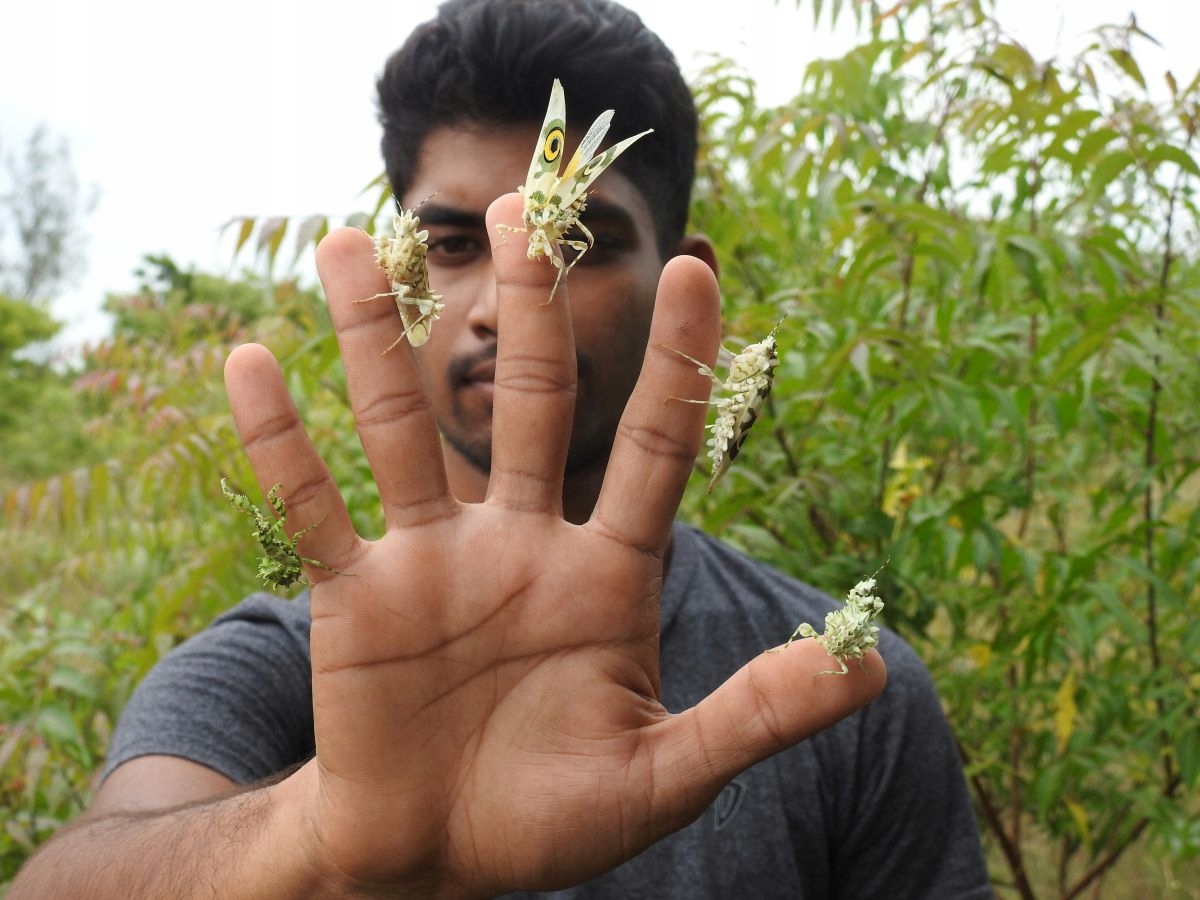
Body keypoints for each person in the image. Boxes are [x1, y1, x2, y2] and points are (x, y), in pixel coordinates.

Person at [11, 0, 992, 896]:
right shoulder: (278, 667)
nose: (503, 303)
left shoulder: (829, 681)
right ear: (398, 279)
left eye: (576, 242)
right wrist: (314, 835)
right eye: (450, 244)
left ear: (681, 285)